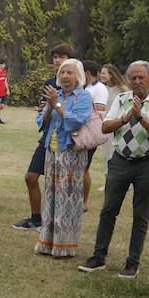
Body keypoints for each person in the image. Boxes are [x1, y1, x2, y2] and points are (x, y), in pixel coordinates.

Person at [78, 60, 149, 279]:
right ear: (128, 79)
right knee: (108, 210)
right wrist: (125, 118)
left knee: (141, 215)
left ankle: (132, 262)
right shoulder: (121, 100)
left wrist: (140, 117)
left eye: (141, 77)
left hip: (147, 163)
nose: (137, 81)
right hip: (120, 160)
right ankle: (98, 256)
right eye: (134, 78)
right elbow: (105, 126)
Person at [33, 58, 94, 258]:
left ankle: (64, 245)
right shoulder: (56, 94)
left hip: (71, 154)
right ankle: (47, 242)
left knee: (67, 198)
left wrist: (56, 104)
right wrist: (51, 105)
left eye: (69, 72)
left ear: (79, 76)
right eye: (62, 73)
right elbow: (41, 121)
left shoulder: (83, 97)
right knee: (51, 195)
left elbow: (76, 121)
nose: (65, 76)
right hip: (51, 152)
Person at [12, 43, 75, 230]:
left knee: (59, 184)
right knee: (31, 177)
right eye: (55, 57)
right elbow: (43, 111)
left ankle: (57, 222)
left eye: (61, 57)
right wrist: (45, 108)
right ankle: (36, 218)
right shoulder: (49, 83)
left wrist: (55, 105)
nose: (57, 60)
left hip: (67, 140)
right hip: (48, 136)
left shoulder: (78, 86)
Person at [81, 60, 110, 210]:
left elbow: (99, 110)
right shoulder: (87, 87)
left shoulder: (99, 88)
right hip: (81, 132)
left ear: (86, 73)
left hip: (90, 133)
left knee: (84, 168)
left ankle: (84, 203)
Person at [98, 63, 129, 167]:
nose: (101, 75)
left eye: (104, 73)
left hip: (120, 124)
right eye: (101, 73)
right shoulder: (102, 89)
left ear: (111, 74)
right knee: (107, 154)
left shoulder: (123, 89)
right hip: (107, 125)